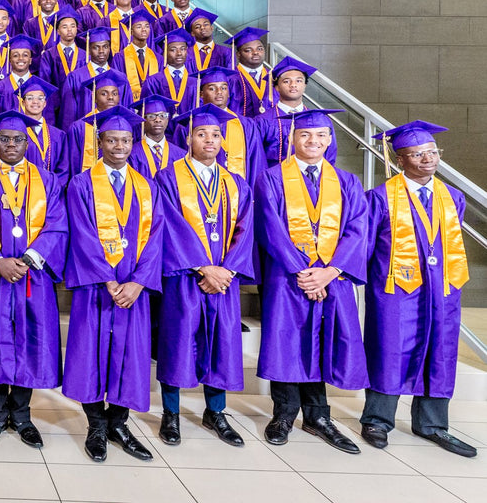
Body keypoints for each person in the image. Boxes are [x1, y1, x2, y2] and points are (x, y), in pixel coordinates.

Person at [255, 109, 369, 454]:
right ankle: (284, 414)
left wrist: (330, 272)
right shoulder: (271, 178)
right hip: (288, 278)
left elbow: (357, 230)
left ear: (330, 140)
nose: (313, 141)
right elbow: (270, 228)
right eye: (305, 135)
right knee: (286, 341)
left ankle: (319, 416)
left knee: (324, 341)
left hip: (332, 279)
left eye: (320, 135)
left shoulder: (347, 182)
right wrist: (304, 273)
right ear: (293, 138)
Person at [360, 122, 475, 457]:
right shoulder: (379, 197)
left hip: (442, 290)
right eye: (418, 154)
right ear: (400, 159)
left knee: (440, 352)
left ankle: (432, 424)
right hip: (395, 289)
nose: (428, 159)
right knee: (389, 350)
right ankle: (378, 420)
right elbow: (366, 246)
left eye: (432, 152)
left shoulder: (453, 197)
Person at [62, 105, 162, 462]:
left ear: (133, 143)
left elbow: (156, 238)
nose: (118, 146)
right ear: (99, 142)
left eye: (124, 140)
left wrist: (137, 283)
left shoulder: (146, 186)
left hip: (133, 290)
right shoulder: (81, 183)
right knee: (90, 353)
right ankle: (96, 426)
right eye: (111, 140)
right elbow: (83, 233)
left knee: (129, 357)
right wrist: (107, 278)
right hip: (96, 287)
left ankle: (119, 424)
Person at [0, 111, 67, 449]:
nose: (11, 145)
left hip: (31, 277)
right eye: (5, 139)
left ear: (27, 142)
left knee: (29, 342)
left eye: (18, 139)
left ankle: (22, 415)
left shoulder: (47, 180)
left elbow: (56, 224)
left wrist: (28, 259)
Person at [155, 104, 254, 448]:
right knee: (178, 341)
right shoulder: (169, 177)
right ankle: (171, 413)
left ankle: (216, 412)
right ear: (188, 138)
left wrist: (226, 270)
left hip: (224, 278)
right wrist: (202, 267)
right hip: (184, 277)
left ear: (223, 140)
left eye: (215, 135)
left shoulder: (236, 182)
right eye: (201, 134)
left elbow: (245, 229)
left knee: (223, 342)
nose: (209, 140)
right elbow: (169, 224)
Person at [257, 56, 339, 166]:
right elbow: (257, 160)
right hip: (275, 180)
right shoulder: (261, 121)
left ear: (305, 85)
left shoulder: (321, 120)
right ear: (276, 87)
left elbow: (329, 157)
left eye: (299, 81)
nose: (293, 85)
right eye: (286, 81)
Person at [127, 94, 184, 178]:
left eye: (162, 116)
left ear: (167, 120)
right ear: (143, 120)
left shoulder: (180, 155)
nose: (158, 120)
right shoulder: (132, 154)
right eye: (151, 116)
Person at [226, 27, 274, 117]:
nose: (255, 52)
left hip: (270, 129)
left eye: (259, 49)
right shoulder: (230, 78)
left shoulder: (274, 78)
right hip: (240, 128)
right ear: (238, 55)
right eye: (248, 50)